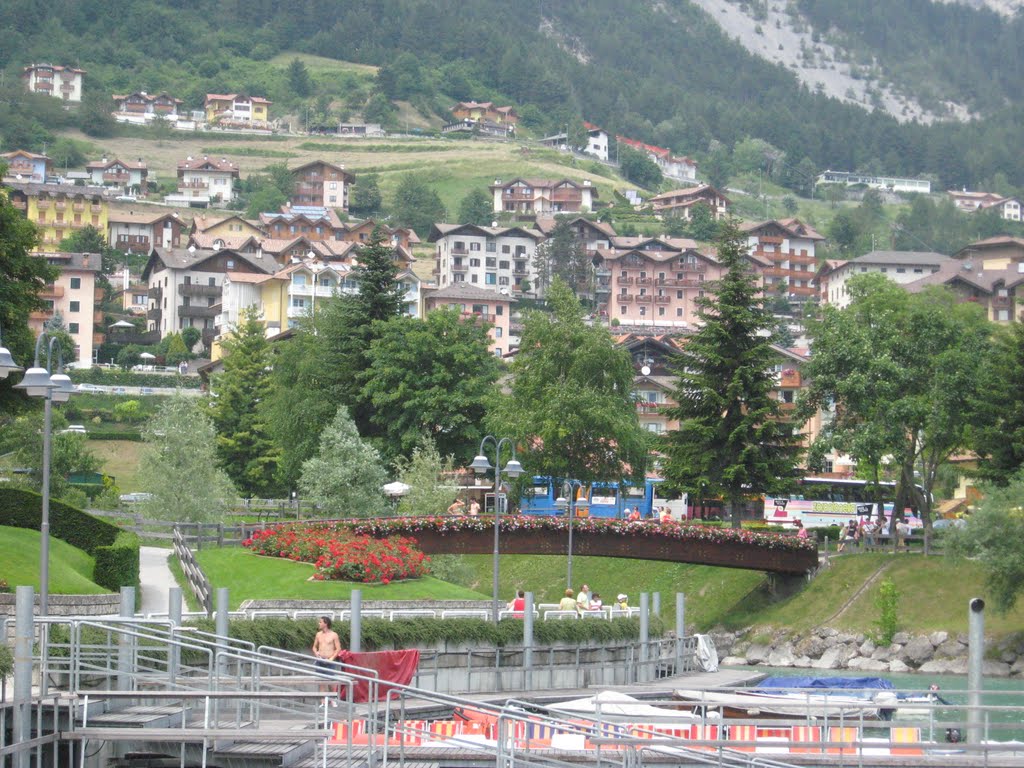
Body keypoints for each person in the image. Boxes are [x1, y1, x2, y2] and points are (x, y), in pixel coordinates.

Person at [311, 616, 341, 695]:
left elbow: (338, 649)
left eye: (320, 622)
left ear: (326, 623)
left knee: (331, 682)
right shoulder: (318, 634)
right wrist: (316, 653)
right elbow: (314, 647)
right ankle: (322, 702)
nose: (319, 623)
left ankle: (333, 700)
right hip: (320, 660)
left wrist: (331, 658)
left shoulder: (334, 635)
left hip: (329, 661)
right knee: (321, 683)